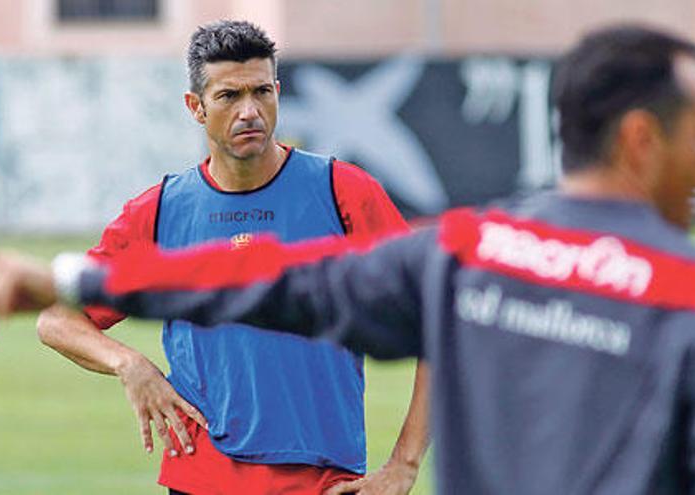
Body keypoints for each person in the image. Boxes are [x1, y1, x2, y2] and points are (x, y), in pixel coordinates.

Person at [0, 24, 695, 494]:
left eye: (262, 91)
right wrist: (106, 325)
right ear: (640, 137)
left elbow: (276, 283)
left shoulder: (466, 248)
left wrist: (73, 277)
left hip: (325, 476)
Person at [33, 20, 429, 495]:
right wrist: (129, 365)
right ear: (195, 107)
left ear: (278, 91)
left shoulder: (343, 193)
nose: (250, 111)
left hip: (323, 480)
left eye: (261, 92)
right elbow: (57, 319)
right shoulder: (158, 212)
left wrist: (404, 464)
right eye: (229, 96)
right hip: (198, 477)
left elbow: (437, 318)